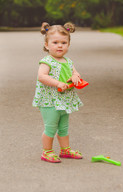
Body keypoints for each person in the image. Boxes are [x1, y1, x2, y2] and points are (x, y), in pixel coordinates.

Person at [32, 22, 84, 163]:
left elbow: (75, 73)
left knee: (64, 127)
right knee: (51, 127)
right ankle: (47, 151)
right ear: (47, 45)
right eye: (55, 42)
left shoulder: (68, 61)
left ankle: (65, 149)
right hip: (50, 100)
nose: (60, 45)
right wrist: (57, 83)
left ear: (68, 45)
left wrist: (75, 76)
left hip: (64, 100)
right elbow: (42, 77)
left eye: (63, 42)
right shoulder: (46, 61)